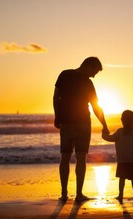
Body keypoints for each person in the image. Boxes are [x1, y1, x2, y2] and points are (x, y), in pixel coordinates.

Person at [53, 56, 109, 202]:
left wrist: (57, 116)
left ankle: (64, 194)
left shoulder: (64, 74)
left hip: (65, 122)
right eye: (95, 71)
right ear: (89, 66)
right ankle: (78, 194)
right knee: (81, 157)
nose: (95, 75)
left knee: (65, 157)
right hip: (83, 123)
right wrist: (104, 125)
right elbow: (96, 106)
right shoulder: (87, 82)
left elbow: (56, 97)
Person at [102, 110, 133, 203]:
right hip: (132, 160)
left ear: (122, 120)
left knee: (122, 179)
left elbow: (110, 138)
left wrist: (103, 134)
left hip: (122, 160)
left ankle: (120, 195)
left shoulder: (120, 132)